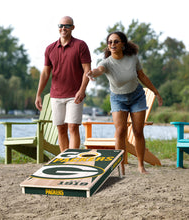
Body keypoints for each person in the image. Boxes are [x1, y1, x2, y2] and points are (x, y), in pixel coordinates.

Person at [86, 31, 163, 174]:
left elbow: (142, 76)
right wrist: (92, 73)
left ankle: (141, 166)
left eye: (116, 41)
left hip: (137, 97)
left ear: (123, 44)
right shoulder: (106, 63)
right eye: (110, 42)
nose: (112, 44)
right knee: (120, 131)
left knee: (138, 131)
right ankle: (120, 167)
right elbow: (99, 70)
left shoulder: (133, 58)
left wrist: (155, 92)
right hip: (118, 99)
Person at [35, 16, 91, 153]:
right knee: (60, 128)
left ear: (73, 27)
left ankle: (73, 160)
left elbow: (87, 71)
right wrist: (38, 95)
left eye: (66, 25)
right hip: (56, 95)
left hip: (75, 95)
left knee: (72, 127)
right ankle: (65, 159)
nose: (63, 28)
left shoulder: (80, 45)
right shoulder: (50, 48)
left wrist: (82, 90)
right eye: (61, 25)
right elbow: (45, 73)